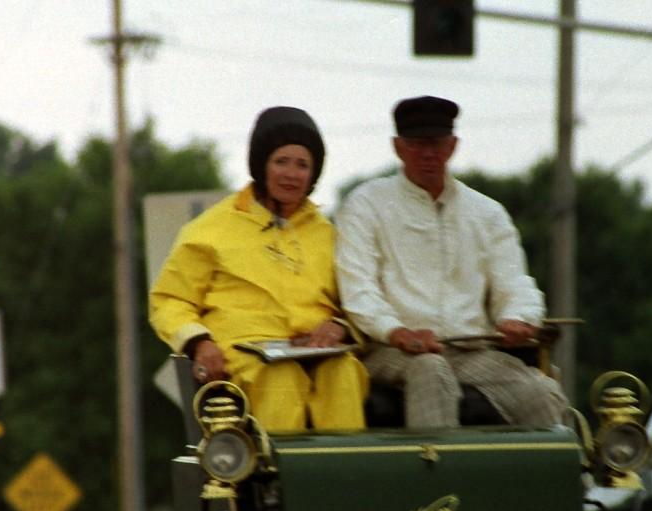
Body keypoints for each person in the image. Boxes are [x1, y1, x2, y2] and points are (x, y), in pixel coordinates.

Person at [334, 95, 568, 428]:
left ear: (452, 146)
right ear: (398, 147)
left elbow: (515, 284)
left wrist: (517, 317)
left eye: (436, 143)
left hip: (471, 351)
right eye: (416, 144)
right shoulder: (366, 204)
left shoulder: (487, 213)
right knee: (431, 370)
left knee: (542, 391)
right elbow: (357, 289)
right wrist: (397, 331)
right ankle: (441, 480)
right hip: (388, 351)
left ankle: (565, 479)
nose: (427, 153)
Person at [149, 106, 368, 431]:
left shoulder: (328, 234)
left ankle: (345, 476)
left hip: (318, 351)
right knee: (282, 379)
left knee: (344, 373)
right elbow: (169, 301)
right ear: (261, 165)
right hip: (246, 352)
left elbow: (359, 300)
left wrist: (339, 326)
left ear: (314, 174)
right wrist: (200, 343)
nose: (291, 174)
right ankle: (280, 479)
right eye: (281, 162)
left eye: (302, 165)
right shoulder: (211, 228)